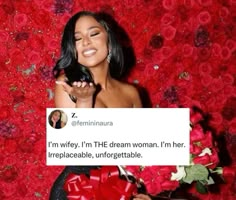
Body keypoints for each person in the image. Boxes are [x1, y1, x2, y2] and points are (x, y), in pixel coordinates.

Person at [49, 11, 151, 200]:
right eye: (77, 39)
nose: (86, 42)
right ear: (73, 49)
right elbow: (73, 149)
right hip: (77, 189)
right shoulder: (66, 84)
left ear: (109, 40)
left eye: (93, 33)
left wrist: (142, 190)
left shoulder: (132, 94)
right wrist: (84, 101)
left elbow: (139, 153)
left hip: (121, 189)